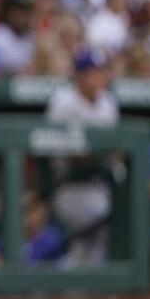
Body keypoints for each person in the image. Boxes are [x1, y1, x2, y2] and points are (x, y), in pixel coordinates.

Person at [44, 48, 120, 265]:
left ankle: (78, 287)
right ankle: (76, 285)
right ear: (78, 75)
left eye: (101, 72)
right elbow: (70, 154)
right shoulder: (63, 102)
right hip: (69, 185)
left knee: (91, 244)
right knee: (96, 225)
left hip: (101, 184)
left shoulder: (108, 103)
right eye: (91, 72)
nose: (98, 78)